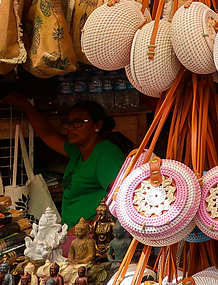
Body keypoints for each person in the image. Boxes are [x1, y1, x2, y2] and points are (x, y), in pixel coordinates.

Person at [1, 96, 125, 228]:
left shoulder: (105, 155)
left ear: (97, 125)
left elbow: (120, 198)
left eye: (78, 122)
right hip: (72, 229)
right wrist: (26, 105)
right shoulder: (78, 150)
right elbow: (47, 134)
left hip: (91, 235)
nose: (71, 128)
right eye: (68, 123)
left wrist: (92, 226)